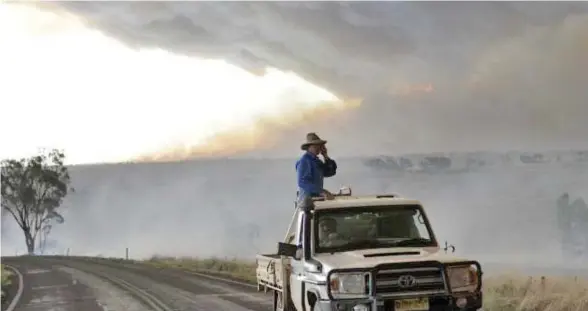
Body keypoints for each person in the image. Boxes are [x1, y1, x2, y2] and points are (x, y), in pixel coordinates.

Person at [295, 132, 337, 200]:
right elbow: (302, 182)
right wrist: (322, 191)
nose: (318, 148)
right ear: (309, 147)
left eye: (319, 146)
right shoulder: (304, 161)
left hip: (316, 200)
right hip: (307, 203)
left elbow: (331, 172)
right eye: (315, 146)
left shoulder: (317, 162)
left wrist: (325, 155)